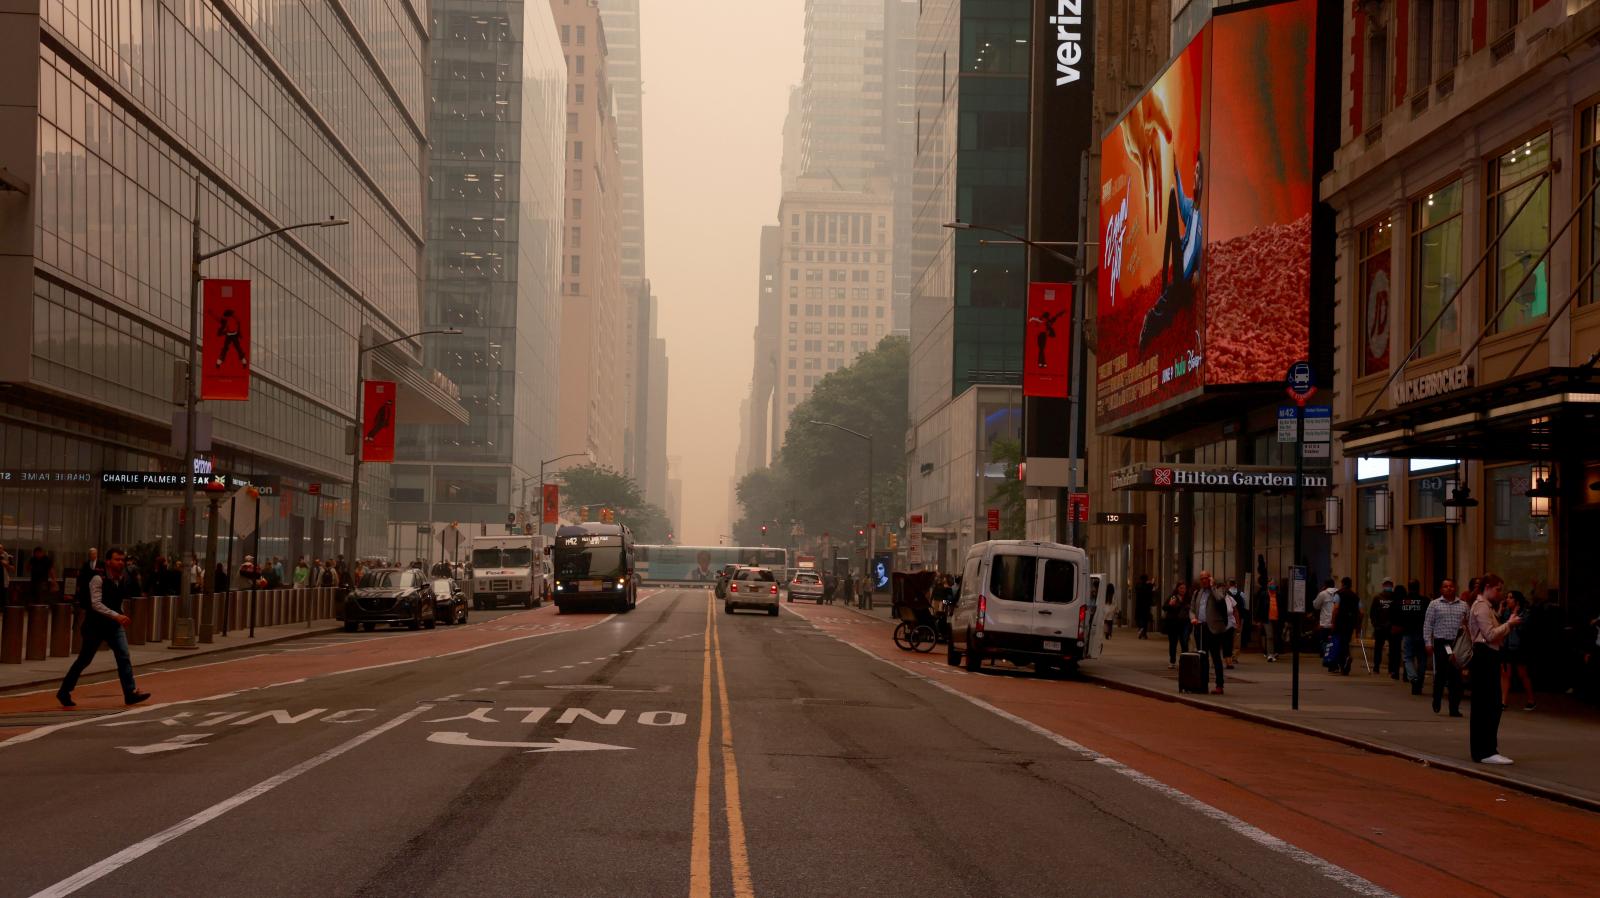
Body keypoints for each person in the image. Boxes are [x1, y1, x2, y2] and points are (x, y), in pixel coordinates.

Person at [56, 547, 150, 708]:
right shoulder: (98, 579)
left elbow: (118, 600)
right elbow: (96, 604)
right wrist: (117, 615)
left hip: (114, 626)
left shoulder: (121, 579)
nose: (120, 562)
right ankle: (64, 691)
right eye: (117, 559)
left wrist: (120, 615)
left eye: (122, 559)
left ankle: (130, 692)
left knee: (123, 656)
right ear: (108, 561)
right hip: (95, 626)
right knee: (84, 660)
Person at [1139, 152, 1204, 351]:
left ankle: (1153, 323)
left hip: (1186, 277)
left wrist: (1199, 271)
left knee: (1173, 303)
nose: (1195, 176)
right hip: (1178, 270)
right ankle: (1149, 325)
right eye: (1194, 171)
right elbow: (1179, 199)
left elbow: (1203, 251)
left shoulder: (1203, 218)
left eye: (1198, 173)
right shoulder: (1190, 211)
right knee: (1167, 305)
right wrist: (1176, 171)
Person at [1469, 574, 1520, 765]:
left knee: (1488, 704)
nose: (1500, 593)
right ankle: (1485, 750)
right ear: (1488, 587)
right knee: (1488, 704)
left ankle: (1486, 749)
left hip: (1487, 656)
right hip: (1485, 656)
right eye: (1498, 589)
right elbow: (1490, 635)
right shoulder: (1482, 606)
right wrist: (1509, 624)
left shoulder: (1486, 606)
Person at [1423, 579, 1468, 717]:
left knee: (1456, 676)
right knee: (1441, 674)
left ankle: (1454, 708)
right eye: (1445, 586)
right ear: (1441, 589)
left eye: (1451, 586)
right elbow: (1428, 624)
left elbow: (1469, 624)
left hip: (1457, 644)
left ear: (1455, 588)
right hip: (1442, 642)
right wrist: (1428, 643)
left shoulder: (1464, 605)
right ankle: (1437, 699)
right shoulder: (1434, 604)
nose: (1448, 589)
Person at [1194, 570, 1230, 694]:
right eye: (1202, 578)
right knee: (1202, 658)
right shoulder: (1197, 593)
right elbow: (1192, 609)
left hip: (1214, 630)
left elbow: (1220, 599)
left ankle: (1219, 685)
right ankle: (1202, 685)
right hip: (1201, 628)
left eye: (1206, 578)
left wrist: (1213, 586)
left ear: (1210, 579)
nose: (1204, 581)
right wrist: (1193, 617)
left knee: (1216, 658)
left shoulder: (1218, 590)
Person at [1499, 590, 1535, 712]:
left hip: (1519, 647)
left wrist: (1513, 615)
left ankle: (1531, 700)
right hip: (1507, 646)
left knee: (1522, 674)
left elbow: (1520, 627)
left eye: (1510, 598)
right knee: (1505, 674)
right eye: (1507, 597)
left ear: (1517, 600)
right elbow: (1503, 626)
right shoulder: (1506, 612)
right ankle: (1503, 701)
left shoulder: (1525, 613)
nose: (1507, 600)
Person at [1396, 579, 1429, 694]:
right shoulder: (1425, 601)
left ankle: (1413, 678)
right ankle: (1419, 681)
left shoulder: (1402, 601)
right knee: (1422, 659)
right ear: (1419, 587)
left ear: (1409, 587)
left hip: (1407, 633)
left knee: (1408, 657)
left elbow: (1398, 617)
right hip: (1422, 633)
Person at [1332, 577, 1362, 675]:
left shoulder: (1339, 594)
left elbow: (1336, 609)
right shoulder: (1356, 596)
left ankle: (1345, 661)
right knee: (1345, 641)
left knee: (1340, 643)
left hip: (1340, 622)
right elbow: (1361, 612)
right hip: (1350, 623)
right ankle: (1345, 664)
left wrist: (1333, 622)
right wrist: (1358, 625)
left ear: (1342, 584)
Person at [1369, 579, 1395, 675]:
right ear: (1383, 585)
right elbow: (1373, 613)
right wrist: (1375, 625)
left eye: (1390, 584)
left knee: (1392, 649)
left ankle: (1391, 668)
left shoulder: (1395, 597)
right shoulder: (1377, 597)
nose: (1388, 586)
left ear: (1392, 586)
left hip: (1391, 628)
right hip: (1380, 627)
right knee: (1378, 648)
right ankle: (1376, 667)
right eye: (1386, 584)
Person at [1163, 581, 1190, 668]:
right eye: (1181, 588)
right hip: (1173, 623)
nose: (1183, 590)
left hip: (1184, 623)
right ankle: (1172, 661)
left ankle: (1185, 661)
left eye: (1184, 588)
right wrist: (1170, 605)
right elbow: (1164, 607)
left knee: (1184, 643)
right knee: (1173, 643)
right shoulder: (1173, 597)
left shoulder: (1188, 598)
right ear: (1177, 589)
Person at [1312, 579, 1338, 666]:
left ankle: (1328, 659)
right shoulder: (1338, 593)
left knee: (1324, 641)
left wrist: (1321, 591)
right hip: (1335, 623)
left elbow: (1316, 605)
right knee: (1334, 642)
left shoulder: (1323, 594)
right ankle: (1334, 659)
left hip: (1325, 624)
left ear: (1325, 585)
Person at [1260, 581, 1280, 661]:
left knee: (1276, 637)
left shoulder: (1279, 595)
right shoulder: (1264, 595)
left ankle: (1273, 651)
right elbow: (1260, 607)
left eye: (1274, 585)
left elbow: (1282, 607)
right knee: (1269, 636)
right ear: (1268, 586)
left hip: (1277, 619)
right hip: (1267, 619)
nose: (1272, 586)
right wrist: (1258, 619)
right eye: (1271, 585)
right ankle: (1270, 655)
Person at [1134, 575, 1155, 639]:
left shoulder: (1138, 585)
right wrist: (1152, 582)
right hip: (1146, 605)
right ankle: (1144, 633)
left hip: (1139, 605)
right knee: (1145, 620)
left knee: (1139, 619)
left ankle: (1141, 630)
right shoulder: (1148, 586)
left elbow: (1136, 588)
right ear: (1146, 579)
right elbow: (1152, 587)